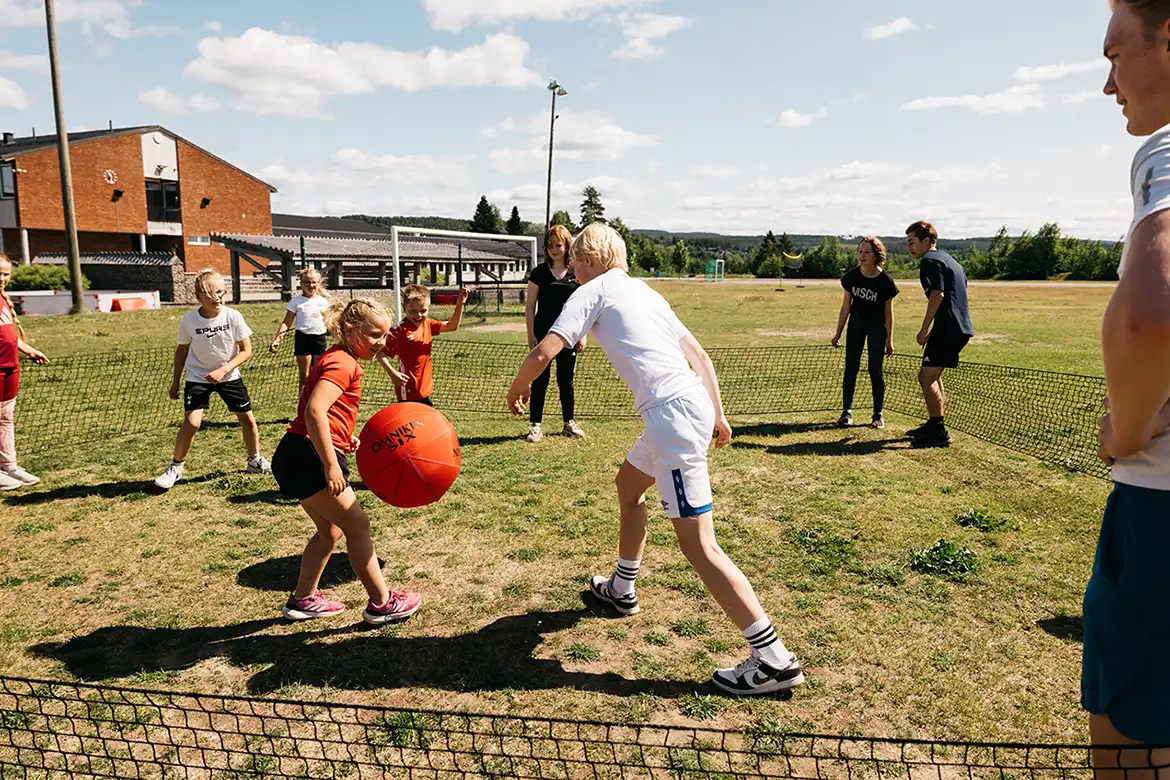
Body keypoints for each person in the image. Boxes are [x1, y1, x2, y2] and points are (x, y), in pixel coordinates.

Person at [507, 223, 803, 696]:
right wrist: (718, 416)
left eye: (576, 264)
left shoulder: (591, 290)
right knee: (628, 486)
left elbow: (546, 347)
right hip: (684, 407)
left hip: (671, 419)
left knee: (699, 545)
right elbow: (699, 355)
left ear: (586, 260)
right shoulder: (645, 292)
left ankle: (772, 660)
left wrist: (519, 384)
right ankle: (622, 588)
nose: (573, 273)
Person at [1087, 1, 1170, 773]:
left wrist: (1129, 429)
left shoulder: (1167, 151)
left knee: (1129, 738)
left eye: (1116, 54)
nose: (1108, 83)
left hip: (1161, 509)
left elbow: (1149, 316)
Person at [271, 298, 421, 624]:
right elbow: (314, 411)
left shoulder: (337, 356)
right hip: (309, 456)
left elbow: (318, 410)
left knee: (330, 532)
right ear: (351, 330)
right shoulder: (344, 363)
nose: (382, 343)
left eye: (384, 335)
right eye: (374, 335)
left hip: (293, 453)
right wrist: (331, 464)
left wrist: (342, 438)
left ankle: (302, 599)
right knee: (358, 525)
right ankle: (382, 603)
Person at [154, 269, 272, 491]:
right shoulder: (188, 321)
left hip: (229, 376)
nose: (218, 297)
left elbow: (247, 351)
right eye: (212, 293)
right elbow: (181, 352)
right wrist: (175, 382)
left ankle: (255, 460)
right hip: (197, 377)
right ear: (199, 296)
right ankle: (176, 467)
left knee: (247, 419)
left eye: (221, 291)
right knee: (192, 423)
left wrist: (223, 370)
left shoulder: (233, 316)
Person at [904, 221, 973, 449]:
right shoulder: (950, 260)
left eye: (912, 242)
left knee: (926, 377)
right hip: (957, 327)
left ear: (927, 241)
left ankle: (939, 430)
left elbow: (938, 294)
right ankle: (934, 423)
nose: (909, 248)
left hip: (949, 328)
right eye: (907, 243)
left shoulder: (930, 261)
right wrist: (935, 330)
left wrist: (924, 328)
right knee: (934, 374)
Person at [524, 225, 586, 442]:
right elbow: (530, 306)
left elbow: (582, 309)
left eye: (558, 245)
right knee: (540, 380)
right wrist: (531, 334)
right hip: (543, 335)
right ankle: (535, 426)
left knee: (566, 381)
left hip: (568, 338)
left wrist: (582, 335)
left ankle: (568, 422)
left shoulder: (575, 274)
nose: (553, 249)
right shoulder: (538, 273)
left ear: (567, 245)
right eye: (549, 245)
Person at [831, 237, 898, 429]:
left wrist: (889, 340)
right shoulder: (852, 277)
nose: (862, 255)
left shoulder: (885, 281)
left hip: (877, 328)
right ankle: (846, 412)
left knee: (874, 370)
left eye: (867, 252)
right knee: (851, 367)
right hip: (856, 326)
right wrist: (838, 333)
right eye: (860, 251)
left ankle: (878, 414)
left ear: (876, 255)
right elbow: (845, 307)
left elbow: (888, 312)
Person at [0, 253, 50, 491]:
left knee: (6, 419)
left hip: (10, 369)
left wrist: (28, 350)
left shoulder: (4, 299)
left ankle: (8, 465)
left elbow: (9, 335)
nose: (2, 278)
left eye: (6, 273)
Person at [377, 283, 469, 407]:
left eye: (423, 311)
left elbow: (451, 326)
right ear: (405, 309)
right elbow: (380, 353)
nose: (419, 315)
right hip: (408, 390)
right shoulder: (399, 331)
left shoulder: (428, 324)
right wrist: (393, 373)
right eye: (413, 311)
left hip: (424, 388)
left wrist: (460, 304)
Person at [270, 267, 331, 393]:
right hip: (303, 338)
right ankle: (302, 403)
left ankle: (317, 400)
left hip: (319, 338)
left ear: (318, 283)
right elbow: (287, 322)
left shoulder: (323, 302)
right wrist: (278, 339)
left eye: (314, 282)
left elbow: (331, 321)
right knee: (305, 374)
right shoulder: (296, 302)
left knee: (318, 372)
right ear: (301, 284)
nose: (311, 285)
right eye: (307, 282)